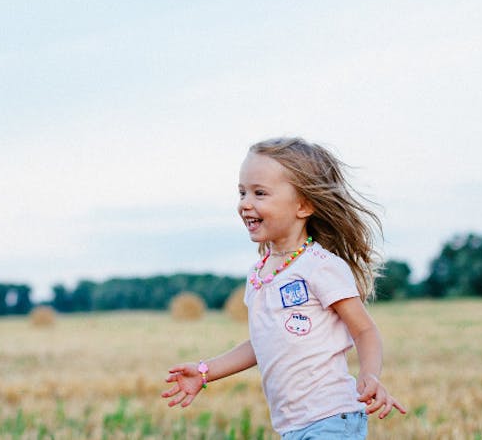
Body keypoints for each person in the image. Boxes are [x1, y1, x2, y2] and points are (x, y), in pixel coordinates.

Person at [162, 137, 406, 439]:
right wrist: (205, 371)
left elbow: (364, 331)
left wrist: (369, 375)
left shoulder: (321, 266)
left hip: (331, 419)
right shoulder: (260, 273)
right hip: (293, 427)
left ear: (303, 205)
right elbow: (262, 341)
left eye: (260, 193)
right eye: (242, 192)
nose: (245, 203)